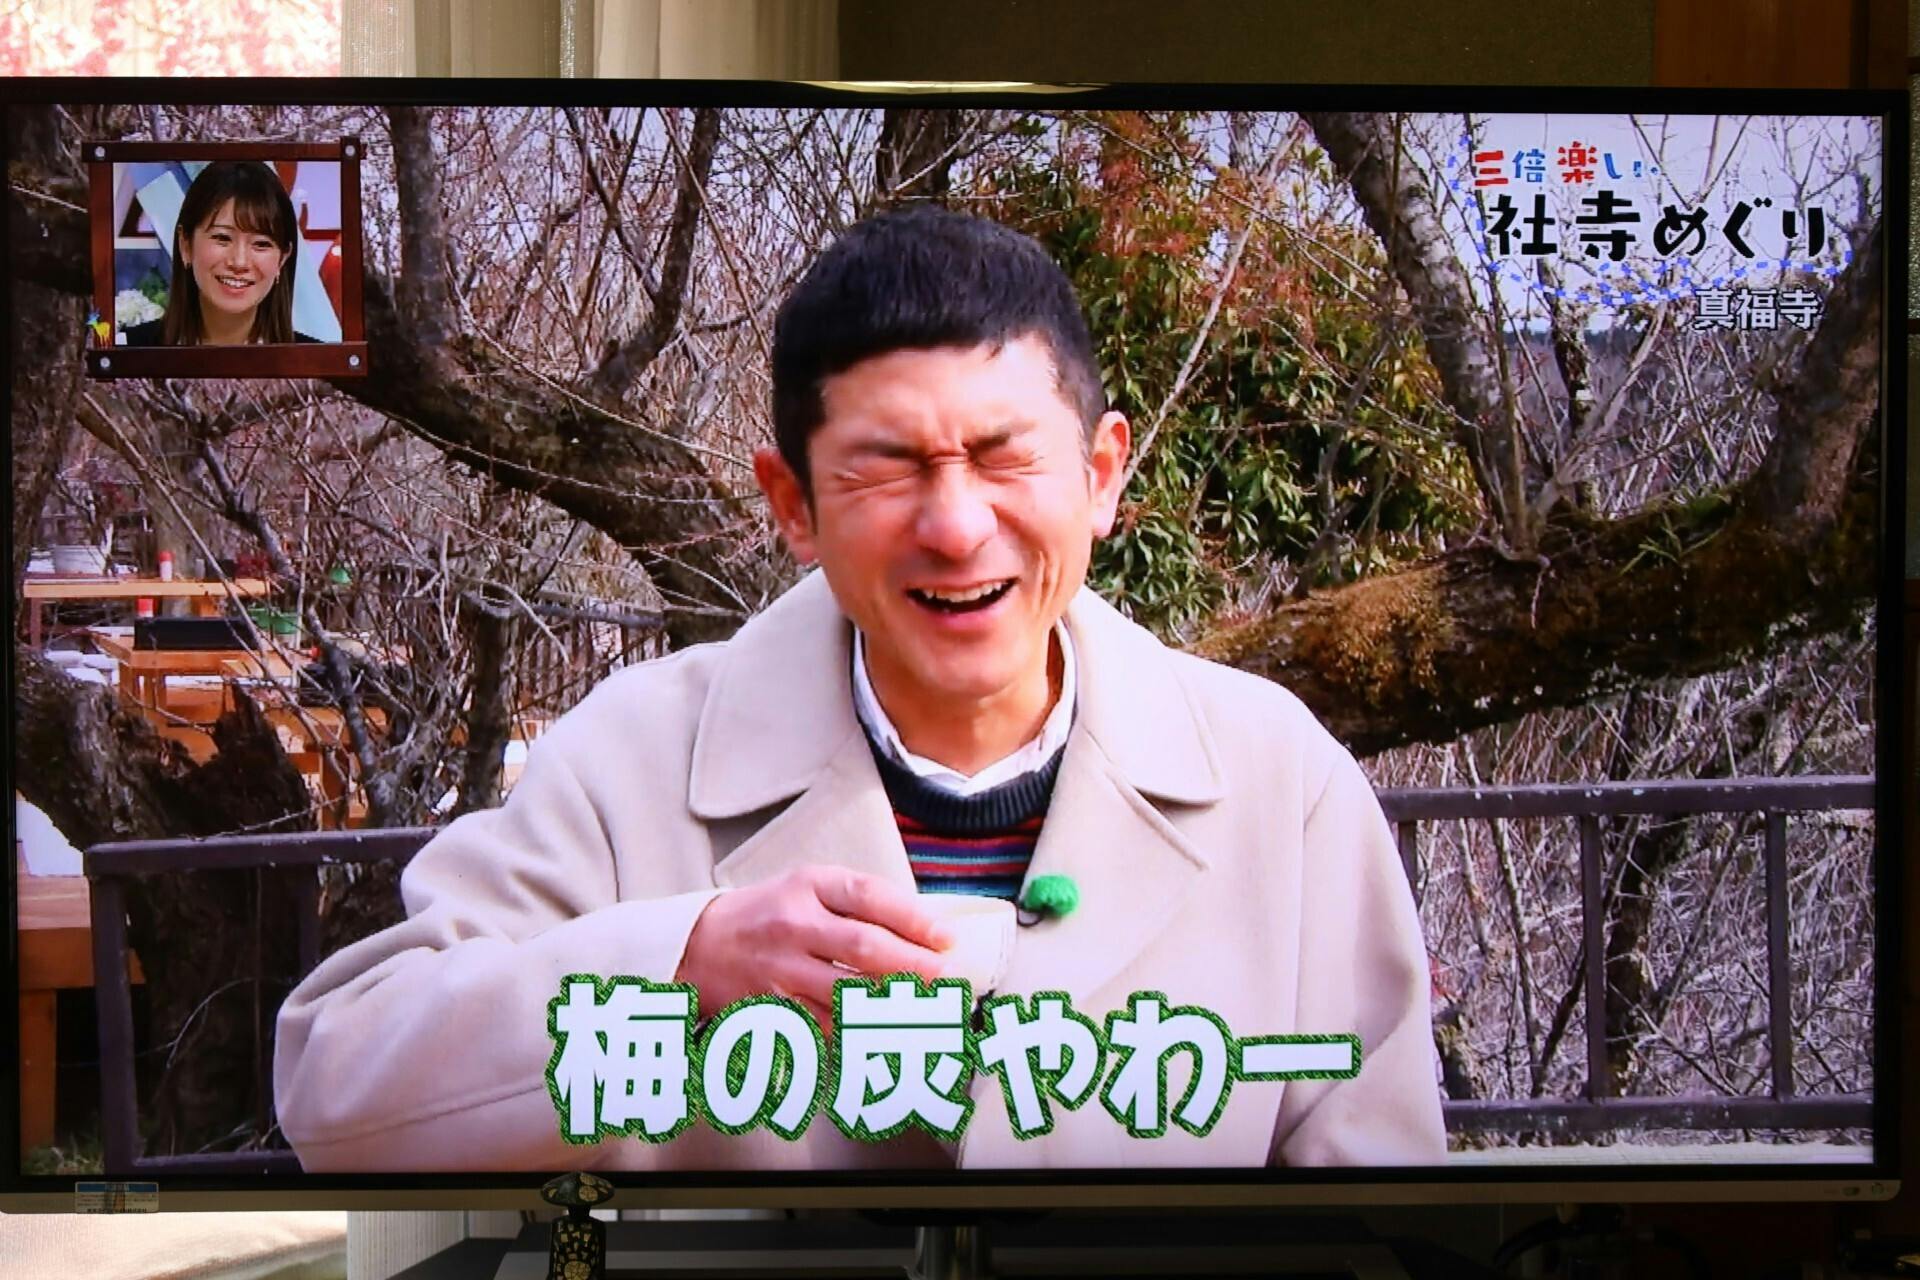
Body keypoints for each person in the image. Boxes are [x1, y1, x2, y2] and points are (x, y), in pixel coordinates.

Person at [273, 206, 1447, 1172]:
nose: (956, 525)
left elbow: (1380, 1201)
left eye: (1005, 456)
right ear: (794, 503)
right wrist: (673, 963)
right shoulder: (631, 761)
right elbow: (340, 1087)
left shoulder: (1275, 780)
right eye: (887, 469)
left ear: (1100, 474)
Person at [120, 160, 318, 346]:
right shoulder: (126, 353)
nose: (239, 262)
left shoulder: (318, 363)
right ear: (185, 245)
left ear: (282, 259)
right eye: (222, 238)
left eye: (261, 244)